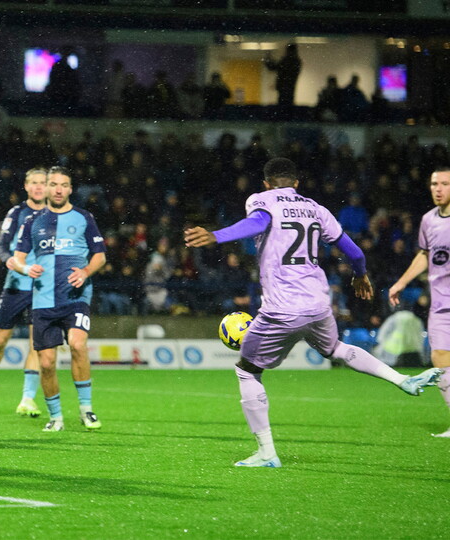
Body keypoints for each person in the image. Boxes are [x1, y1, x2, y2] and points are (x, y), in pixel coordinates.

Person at [184, 157, 443, 468]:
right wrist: (360, 274)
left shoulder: (261, 200)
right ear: (297, 183)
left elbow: (258, 223)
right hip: (318, 303)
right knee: (336, 349)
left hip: (282, 307)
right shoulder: (317, 209)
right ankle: (402, 380)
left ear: (266, 184)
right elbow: (354, 251)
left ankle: (266, 453)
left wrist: (217, 235)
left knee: (247, 370)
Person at [10, 167, 107, 432]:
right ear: (47, 188)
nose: (58, 189)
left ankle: (86, 410)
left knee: (77, 344)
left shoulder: (84, 217)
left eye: (64, 185)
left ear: (70, 189)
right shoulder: (33, 220)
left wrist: (85, 272)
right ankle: (56, 417)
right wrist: (25, 269)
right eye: (54, 184)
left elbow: (100, 256)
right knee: (46, 363)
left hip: (76, 296)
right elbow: (17, 258)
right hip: (43, 299)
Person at [0, 168, 47, 417]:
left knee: (37, 344)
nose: (38, 187)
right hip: (16, 286)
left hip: (43, 289)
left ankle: (27, 398)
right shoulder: (17, 213)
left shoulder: (55, 216)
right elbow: (2, 247)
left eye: (43, 182)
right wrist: (9, 260)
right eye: (34, 182)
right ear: (26, 186)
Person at [388, 167, 450, 438]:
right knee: (440, 358)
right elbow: (425, 254)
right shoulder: (428, 220)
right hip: (441, 303)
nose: (438, 189)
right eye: (435, 183)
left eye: (445, 184)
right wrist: (401, 282)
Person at [264, 43, 301, 108]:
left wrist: (267, 58)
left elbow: (273, 67)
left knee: (283, 104)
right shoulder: (296, 61)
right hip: (289, 87)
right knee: (288, 103)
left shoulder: (288, 60)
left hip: (284, 87)